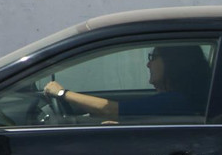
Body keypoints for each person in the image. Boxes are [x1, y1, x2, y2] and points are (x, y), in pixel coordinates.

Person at [44, 45, 211, 119]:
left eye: (153, 57)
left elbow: (109, 109)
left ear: (173, 62)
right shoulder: (182, 99)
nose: (148, 64)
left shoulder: (177, 101)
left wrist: (62, 93)